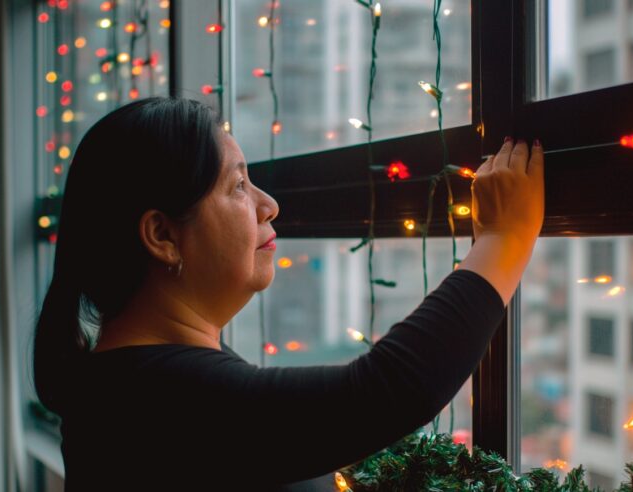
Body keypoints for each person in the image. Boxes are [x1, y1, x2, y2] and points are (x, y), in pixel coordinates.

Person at [32, 97, 544, 491]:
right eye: (237, 187)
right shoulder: (158, 400)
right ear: (162, 236)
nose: (269, 205)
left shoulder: (127, 385)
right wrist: (503, 240)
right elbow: (387, 391)